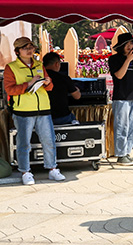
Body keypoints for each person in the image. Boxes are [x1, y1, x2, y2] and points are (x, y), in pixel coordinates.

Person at [4, 37, 65, 184]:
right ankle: (25, 172)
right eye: (25, 48)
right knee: (24, 143)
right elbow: (10, 90)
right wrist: (29, 84)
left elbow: (50, 87)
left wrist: (47, 82)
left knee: (49, 140)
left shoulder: (39, 65)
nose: (29, 50)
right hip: (23, 111)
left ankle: (52, 169)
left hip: (43, 109)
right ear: (17, 51)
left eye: (31, 47)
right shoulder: (11, 67)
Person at [108, 33, 133, 166]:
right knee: (122, 126)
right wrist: (128, 60)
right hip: (121, 97)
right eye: (127, 44)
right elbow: (119, 75)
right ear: (121, 46)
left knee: (132, 126)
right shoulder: (114, 59)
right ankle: (121, 154)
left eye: (131, 44)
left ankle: (127, 152)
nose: (130, 46)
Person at [42, 51, 81, 126]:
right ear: (57, 64)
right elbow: (77, 96)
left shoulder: (38, 78)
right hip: (62, 117)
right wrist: (77, 89)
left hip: (43, 117)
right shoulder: (64, 78)